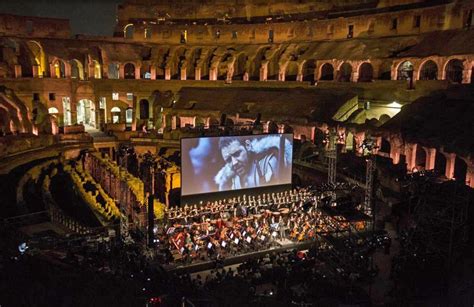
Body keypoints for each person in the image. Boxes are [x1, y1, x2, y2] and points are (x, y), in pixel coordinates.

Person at [214, 136, 284, 191]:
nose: (234, 163)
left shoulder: (268, 163)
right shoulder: (231, 181)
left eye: (237, 154)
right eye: (229, 160)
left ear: (247, 146)